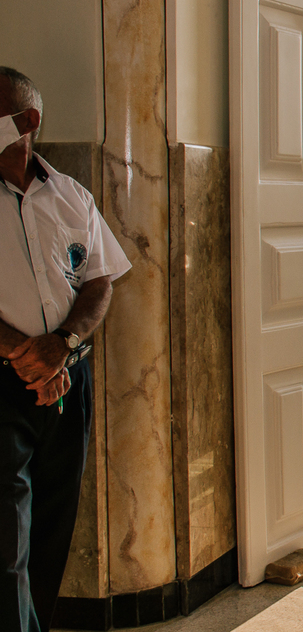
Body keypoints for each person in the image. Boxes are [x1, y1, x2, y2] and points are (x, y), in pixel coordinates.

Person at [0, 67, 131, 631]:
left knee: (54, 522)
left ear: (27, 121)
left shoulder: (72, 195)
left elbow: (101, 280)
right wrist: (24, 355)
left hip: (67, 385)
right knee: (7, 539)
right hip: (4, 385)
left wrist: (62, 346)